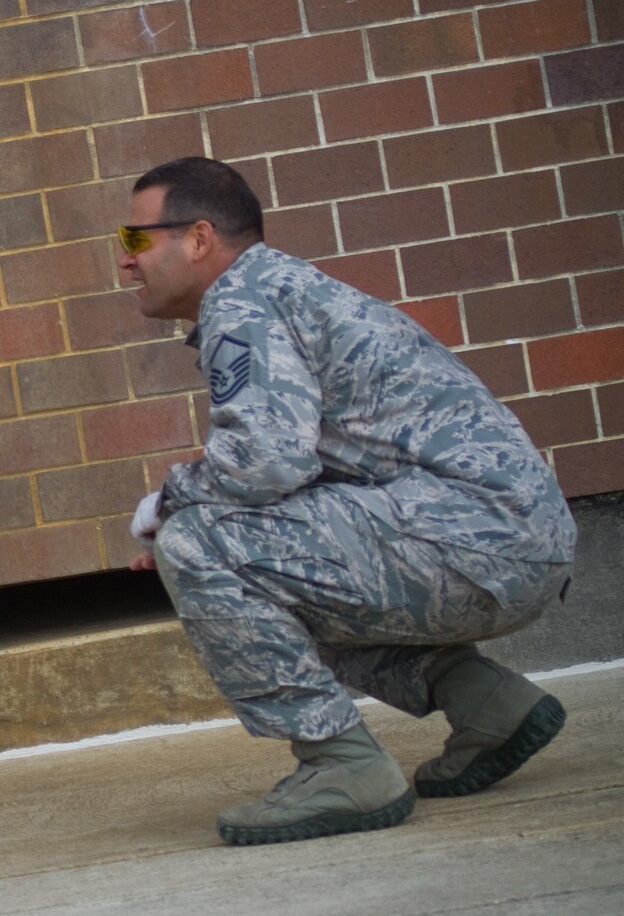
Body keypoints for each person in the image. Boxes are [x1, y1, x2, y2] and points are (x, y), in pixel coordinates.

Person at [116, 157, 576, 846]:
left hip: (475, 538)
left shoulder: (242, 305)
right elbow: (296, 473)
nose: (125, 262)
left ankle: (342, 766)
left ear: (199, 237)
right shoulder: (281, 289)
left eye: (134, 239)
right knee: (246, 560)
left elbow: (268, 458)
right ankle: (488, 703)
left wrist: (171, 505)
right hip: (505, 538)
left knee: (201, 546)